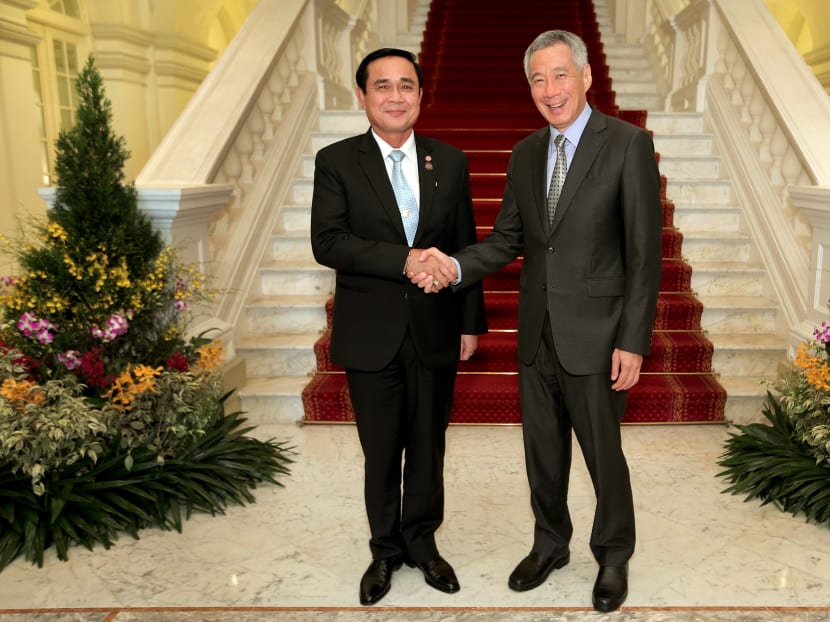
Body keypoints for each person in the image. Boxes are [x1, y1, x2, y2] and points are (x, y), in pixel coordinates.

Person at [411, 30, 663, 612]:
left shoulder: (627, 144)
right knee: (542, 454)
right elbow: (507, 241)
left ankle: (614, 554)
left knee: (603, 456)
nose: (550, 90)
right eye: (538, 79)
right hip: (536, 334)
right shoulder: (526, 153)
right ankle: (550, 544)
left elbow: (645, 255)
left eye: (560, 75)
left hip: (600, 337)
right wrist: (450, 265)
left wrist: (633, 339)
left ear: (585, 76)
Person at [310, 47, 487, 606]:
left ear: (419, 95)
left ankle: (423, 544)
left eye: (405, 85)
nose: (394, 96)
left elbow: (465, 245)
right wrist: (405, 259)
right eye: (381, 86)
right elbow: (329, 242)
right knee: (382, 450)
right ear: (362, 96)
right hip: (372, 330)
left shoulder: (449, 161)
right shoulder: (336, 161)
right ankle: (385, 550)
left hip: (437, 327)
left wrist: (470, 321)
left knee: (429, 446)